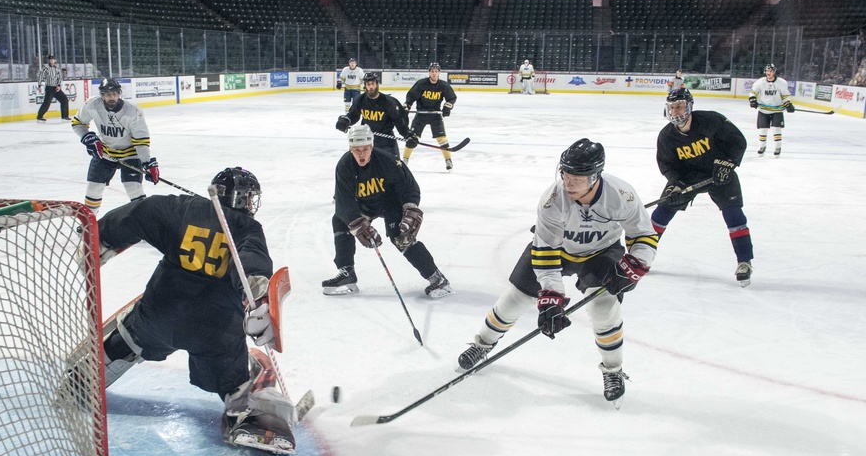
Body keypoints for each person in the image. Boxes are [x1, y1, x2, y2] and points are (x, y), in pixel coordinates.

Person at [95, 167, 297, 455]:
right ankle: (246, 417)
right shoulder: (248, 228)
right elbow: (251, 258)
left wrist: (104, 237)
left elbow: (142, 211)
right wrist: (258, 293)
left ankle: (89, 374)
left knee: (130, 336)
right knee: (233, 377)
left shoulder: (181, 208)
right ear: (241, 199)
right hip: (213, 330)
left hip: (159, 314)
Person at [455, 138, 658, 407]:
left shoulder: (622, 196)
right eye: (564, 174)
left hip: (600, 253)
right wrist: (551, 297)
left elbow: (643, 234)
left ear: (595, 176)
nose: (568, 182)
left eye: (576, 177)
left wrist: (636, 263)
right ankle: (482, 344)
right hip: (557, 251)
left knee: (604, 307)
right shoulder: (552, 201)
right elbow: (547, 254)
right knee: (515, 299)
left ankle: (613, 370)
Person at [322, 125, 452, 299]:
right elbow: (343, 201)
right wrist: (357, 223)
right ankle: (347, 273)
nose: (361, 154)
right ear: (350, 148)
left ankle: (437, 278)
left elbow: (409, 186)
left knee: (401, 237)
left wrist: (410, 207)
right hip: (364, 206)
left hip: (389, 203)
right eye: (356, 150)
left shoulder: (388, 161)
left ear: (372, 146)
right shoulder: (344, 166)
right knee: (339, 220)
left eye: (365, 149)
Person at [652, 89, 753, 286]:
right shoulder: (666, 136)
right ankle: (640, 255)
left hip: (720, 173)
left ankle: (744, 262)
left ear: (690, 106)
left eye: (679, 106)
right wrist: (675, 184)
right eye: (672, 107)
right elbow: (668, 165)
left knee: (733, 215)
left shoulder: (712, 120)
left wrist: (728, 163)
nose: (675, 111)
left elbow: (738, 141)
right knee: (662, 211)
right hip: (688, 178)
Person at [71, 77, 159, 213]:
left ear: (119, 94)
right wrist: (87, 137)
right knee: (93, 187)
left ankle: (143, 220)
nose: (111, 97)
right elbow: (77, 123)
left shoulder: (132, 112)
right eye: (107, 94)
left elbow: (141, 142)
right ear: (102, 95)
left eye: (114, 94)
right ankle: (89, 221)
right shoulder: (93, 105)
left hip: (130, 154)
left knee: (133, 188)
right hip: (105, 152)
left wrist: (147, 163)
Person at [335, 72, 416, 160]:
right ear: (365, 86)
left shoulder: (389, 102)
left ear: (377, 84)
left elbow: (399, 122)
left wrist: (408, 135)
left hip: (386, 141)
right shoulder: (360, 100)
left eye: (373, 84)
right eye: (368, 84)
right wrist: (346, 120)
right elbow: (353, 115)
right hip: (366, 139)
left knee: (394, 168)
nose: (370, 87)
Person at [404, 62, 457, 171]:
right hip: (421, 115)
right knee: (411, 139)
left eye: (436, 71)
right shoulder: (421, 84)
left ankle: (448, 161)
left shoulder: (443, 85)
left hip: (435, 116)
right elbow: (411, 95)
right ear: (429, 72)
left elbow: (452, 98)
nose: (434, 73)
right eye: (432, 71)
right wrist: (407, 105)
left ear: (439, 73)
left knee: (442, 140)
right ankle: (404, 161)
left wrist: (447, 107)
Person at [748, 63, 794, 156]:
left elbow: (785, 96)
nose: (769, 72)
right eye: (768, 71)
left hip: (777, 110)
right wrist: (753, 100)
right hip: (763, 110)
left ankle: (777, 147)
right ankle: (762, 146)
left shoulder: (781, 83)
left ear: (774, 72)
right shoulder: (760, 82)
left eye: (771, 71)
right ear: (765, 71)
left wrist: (788, 104)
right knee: (763, 129)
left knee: (776, 129)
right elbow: (753, 93)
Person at [36, 54, 69, 122]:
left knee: (64, 99)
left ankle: (65, 116)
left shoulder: (57, 69)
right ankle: (40, 116)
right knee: (47, 102)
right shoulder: (46, 68)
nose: (51, 61)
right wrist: (39, 85)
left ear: (55, 60)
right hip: (49, 88)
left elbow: (60, 77)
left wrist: (59, 85)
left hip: (56, 88)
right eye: (50, 59)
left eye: (52, 59)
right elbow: (40, 76)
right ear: (48, 60)